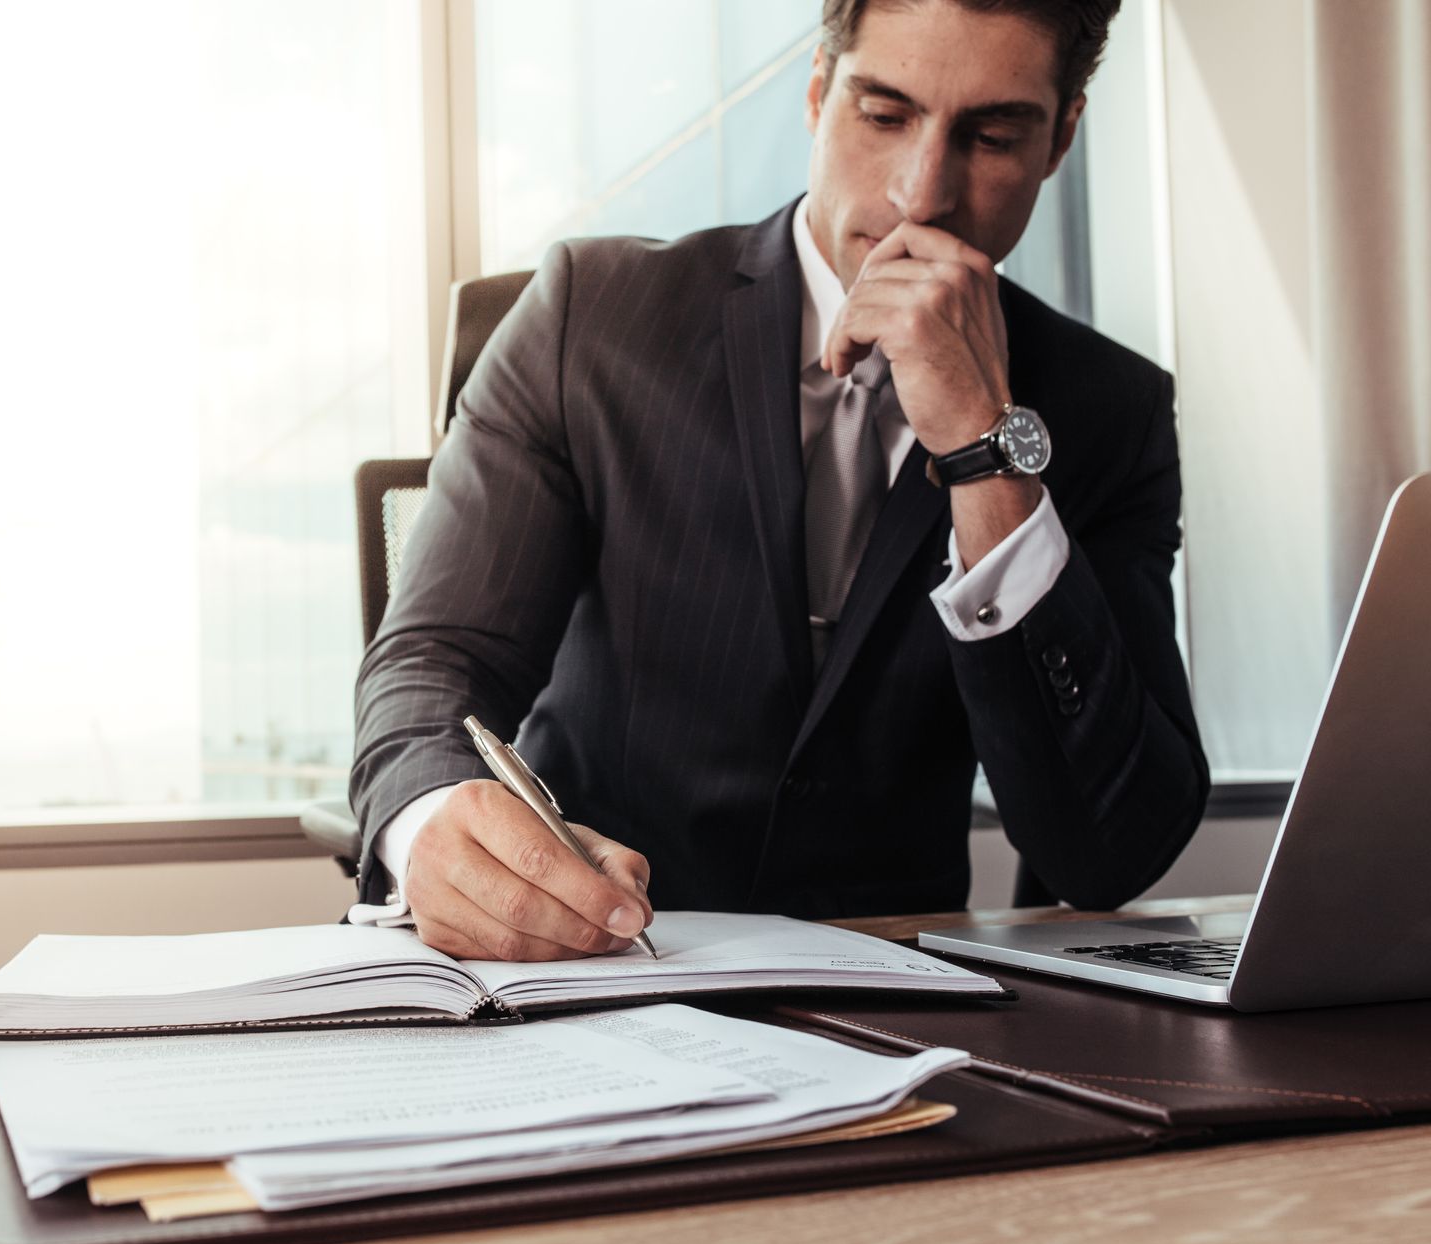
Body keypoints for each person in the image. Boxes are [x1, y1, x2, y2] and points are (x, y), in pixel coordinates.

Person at [348, 0, 1208, 961]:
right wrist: (430, 828)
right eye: (883, 115)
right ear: (816, 91)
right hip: (596, 969)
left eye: (993, 135)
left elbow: (1113, 851)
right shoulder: (586, 321)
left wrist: (982, 449)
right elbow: (434, 664)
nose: (921, 194)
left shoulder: (1108, 411)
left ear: (1062, 140)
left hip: (900, 1003)